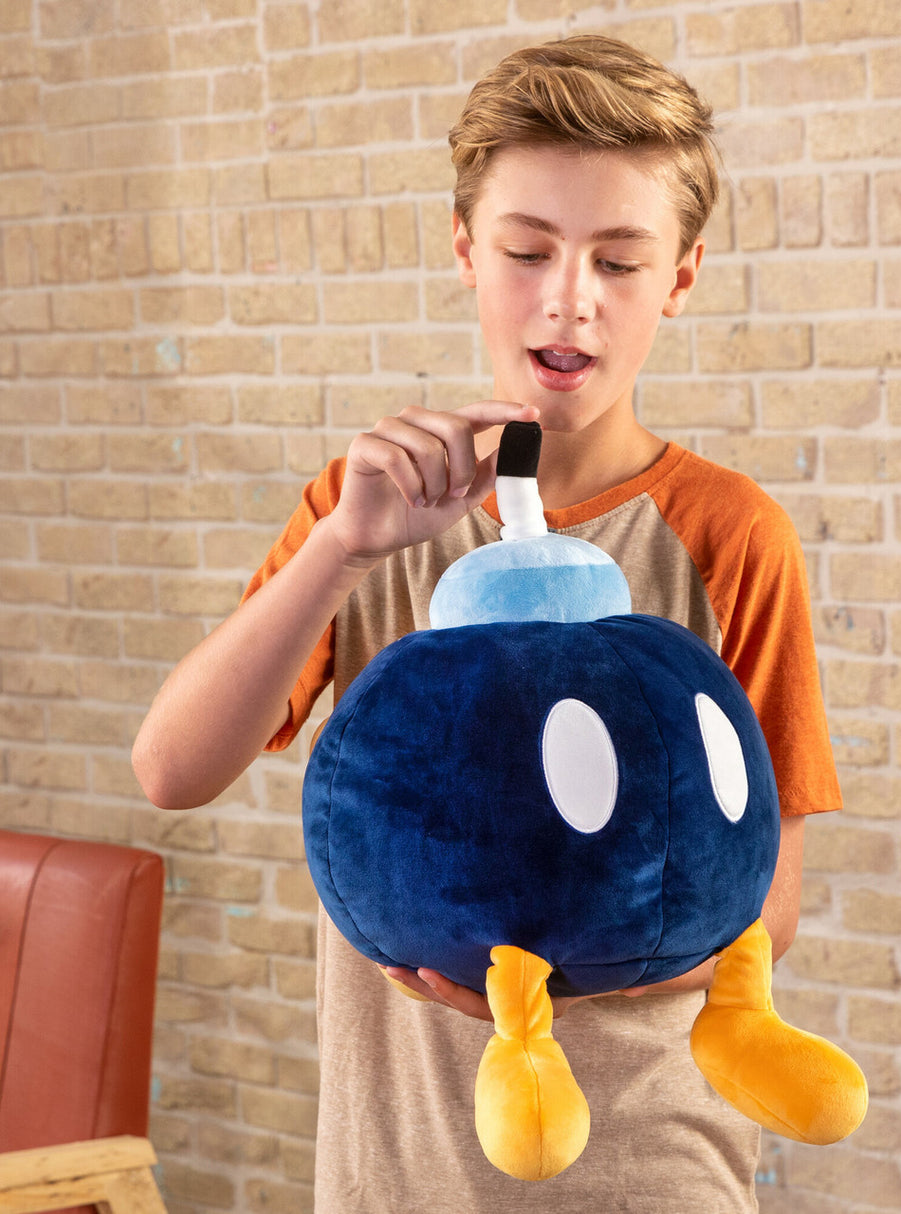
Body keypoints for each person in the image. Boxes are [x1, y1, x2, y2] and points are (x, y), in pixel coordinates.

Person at [133, 34, 842, 1213]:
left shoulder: (727, 535)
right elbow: (170, 768)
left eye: (620, 260)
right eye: (528, 250)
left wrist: (539, 990)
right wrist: (341, 549)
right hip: (393, 1170)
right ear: (465, 250)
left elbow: (768, 898)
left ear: (681, 276)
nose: (570, 297)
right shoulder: (365, 517)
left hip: (643, 1168)